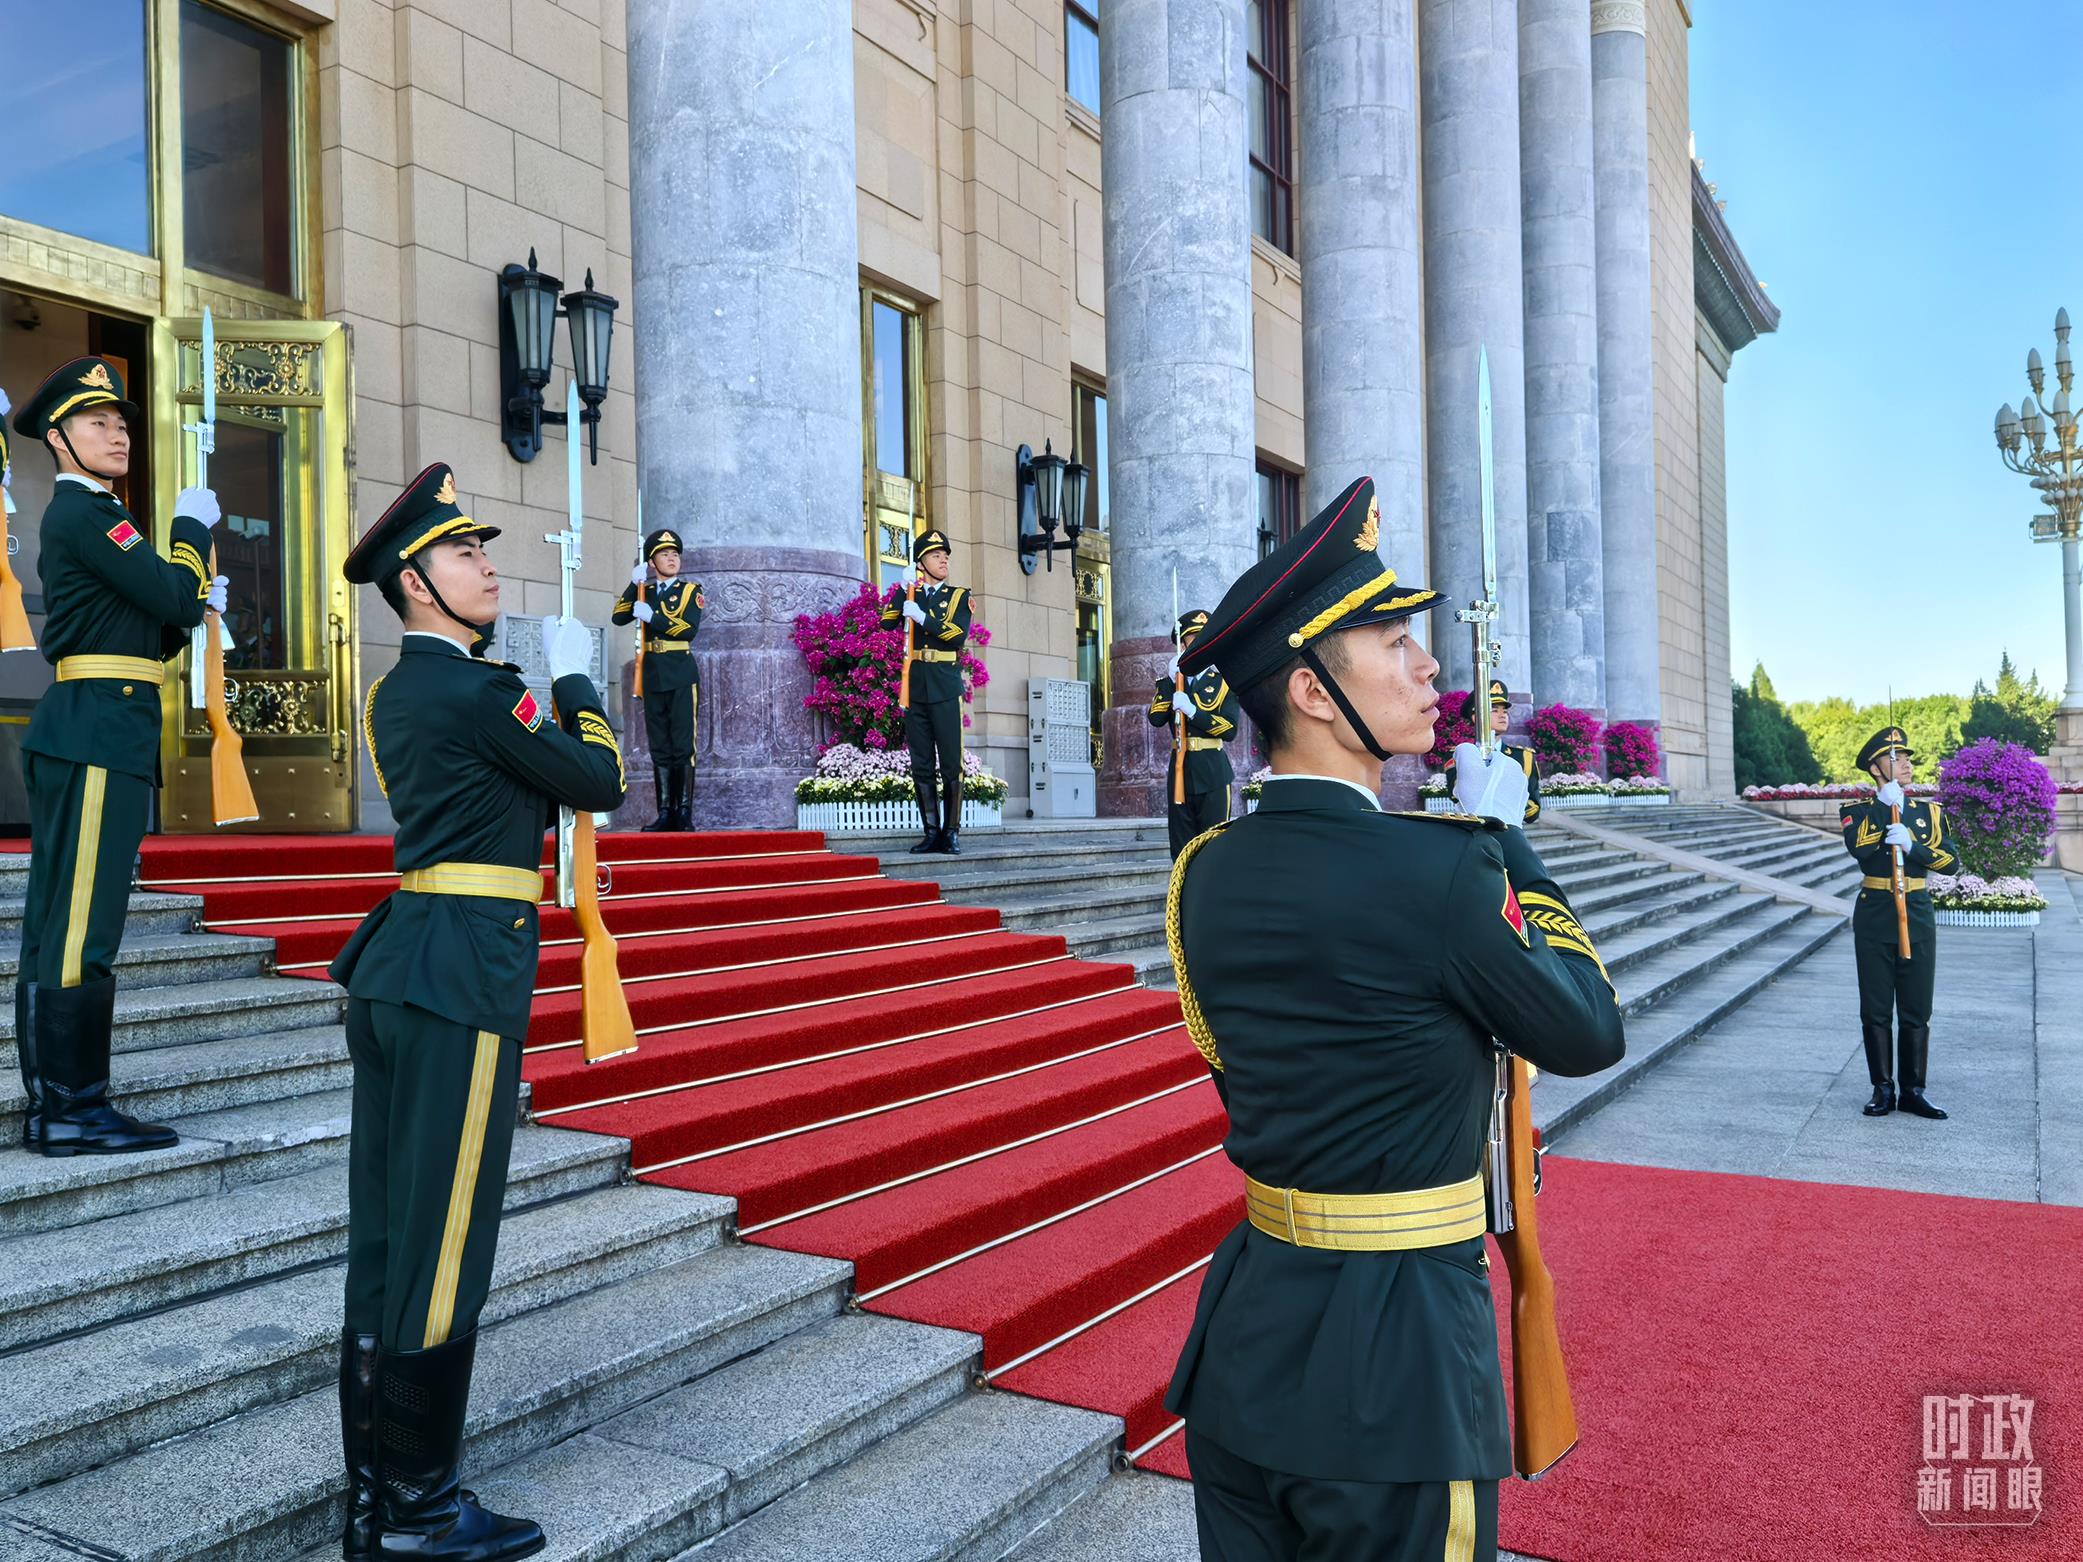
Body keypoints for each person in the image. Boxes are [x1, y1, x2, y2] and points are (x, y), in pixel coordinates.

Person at [1162, 475, 1627, 1562]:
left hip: (1246, 1342)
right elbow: (1586, 1029)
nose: (1428, 668)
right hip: (1403, 1367)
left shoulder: (1201, 875)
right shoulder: (1445, 870)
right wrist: (1507, 840)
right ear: (1314, 691)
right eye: (1390, 641)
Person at [331, 462, 625, 1560]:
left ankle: (374, 1499)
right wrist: (582, 688)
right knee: (445, 1241)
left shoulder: (396, 690)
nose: (487, 564)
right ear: (415, 583)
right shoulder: (474, 689)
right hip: (461, 975)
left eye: (481, 549)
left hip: (403, 962)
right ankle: (416, 1509)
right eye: (463, 553)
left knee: (385, 1240)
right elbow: (597, 782)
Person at [10, 357, 227, 1157]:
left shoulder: (97, 518)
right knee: (79, 928)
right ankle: (72, 1106)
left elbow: (156, 630)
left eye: (123, 422)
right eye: (98, 422)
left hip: (103, 723)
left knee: (64, 921)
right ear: (59, 439)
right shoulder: (91, 513)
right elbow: (171, 598)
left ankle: (58, 1105)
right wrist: (191, 538)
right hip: (98, 730)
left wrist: (189, 597)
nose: (118, 433)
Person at [1839, 726, 1961, 1121]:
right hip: (1876, 912)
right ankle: (1883, 1088)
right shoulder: (1856, 811)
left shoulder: (1929, 813)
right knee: (1875, 1007)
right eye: (1896, 757)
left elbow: (1951, 862)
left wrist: (1913, 844)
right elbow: (1859, 848)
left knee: (1917, 1006)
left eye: (1907, 757)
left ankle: (1913, 1090)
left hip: (1918, 909)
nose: (1906, 763)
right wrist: (1880, 806)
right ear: (1876, 769)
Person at [879, 528, 972, 855]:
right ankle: (930, 832)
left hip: (945, 686)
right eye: (935, 555)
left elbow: (957, 635)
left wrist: (924, 618)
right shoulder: (912, 592)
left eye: (945, 555)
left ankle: (951, 832)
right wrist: (903, 590)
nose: (943, 559)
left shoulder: (960, 596)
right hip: (916, 686)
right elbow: (887, 622)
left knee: (950, 764)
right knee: (921, 763)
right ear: (921, 563)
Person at [611, 526, 703, 830]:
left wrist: (654, 617)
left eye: (675, 553)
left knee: (682, 744)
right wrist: (632, 583)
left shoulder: (690, 592)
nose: (672, 558)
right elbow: (619, 616)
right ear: (652, 562)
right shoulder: (644, 592)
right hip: (651, 674)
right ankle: (665, 812)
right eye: (664, 554)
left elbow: (688, 629)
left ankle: (684, 813)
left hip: (679, 672)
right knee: (660, 746)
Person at [1149, 609, 1241, 858]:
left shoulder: (1223, 682)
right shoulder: (1171, 679)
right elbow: (1156, 719)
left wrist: (1192, 711)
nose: (1201, 644)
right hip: (1180, 771)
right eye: (1194, 638)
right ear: (1182, 643)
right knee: (1181, 848)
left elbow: (1230, 729)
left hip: (1212, 771)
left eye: (1206, 638)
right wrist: (1169, 684)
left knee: (1213, 845)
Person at [1442, 677, 1541, 824]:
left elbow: (1534, 810)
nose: (1502, 715)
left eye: (1505, 711)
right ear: (1476, 717)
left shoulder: (1523, 757)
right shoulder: (1460, 755)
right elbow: (1457, 795)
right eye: (1494, 710)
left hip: (1510, 831)